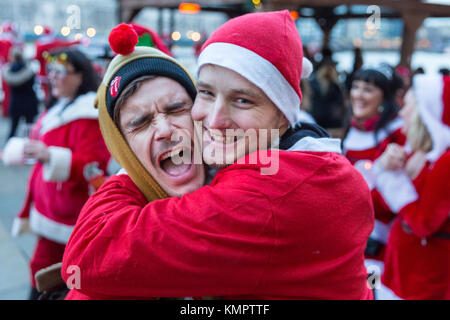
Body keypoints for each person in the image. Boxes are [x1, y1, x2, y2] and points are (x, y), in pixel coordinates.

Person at [62, 12, 374, 300]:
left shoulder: (266, 193)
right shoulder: (299, 160)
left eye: (242, 100)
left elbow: (91, 252)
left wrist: (130, 170)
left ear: (282, 116)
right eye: (207, 93)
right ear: (120, 145)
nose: (213, 120)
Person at [7, 48, 110, 299]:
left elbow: (94, 164)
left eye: (60, 71)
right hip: (52, 211)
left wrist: (50, 155)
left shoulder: (88, 114)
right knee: (48, 274)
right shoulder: (60, 105)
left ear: (80, 75)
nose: (52, 76)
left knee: (58, 276)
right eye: (51, 70)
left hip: (69, 216)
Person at [362, 74, 450, 299]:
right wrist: (384, 166)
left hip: (425, 278)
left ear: (423, 114)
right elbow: (380, 202)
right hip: (400, 270)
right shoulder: (414, 149)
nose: (401, 113)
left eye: (407, 106)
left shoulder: (445, 162)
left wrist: (392, 180)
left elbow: (423, 223)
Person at [343, 66, 406, 277]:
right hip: (350, 236)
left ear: (384, 97)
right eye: (355, 87)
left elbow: (400, 193)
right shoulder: (351, 128)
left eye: (368, 90)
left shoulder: (397, 133)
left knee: (372, 289)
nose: (358, 95)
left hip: (381, 243)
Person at [2, 48, 39, 140]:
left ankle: (8, 147)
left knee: (13, 128)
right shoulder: (29, 70)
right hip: (29, 102)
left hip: (16, 102)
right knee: (29, 129)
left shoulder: (9, 71)